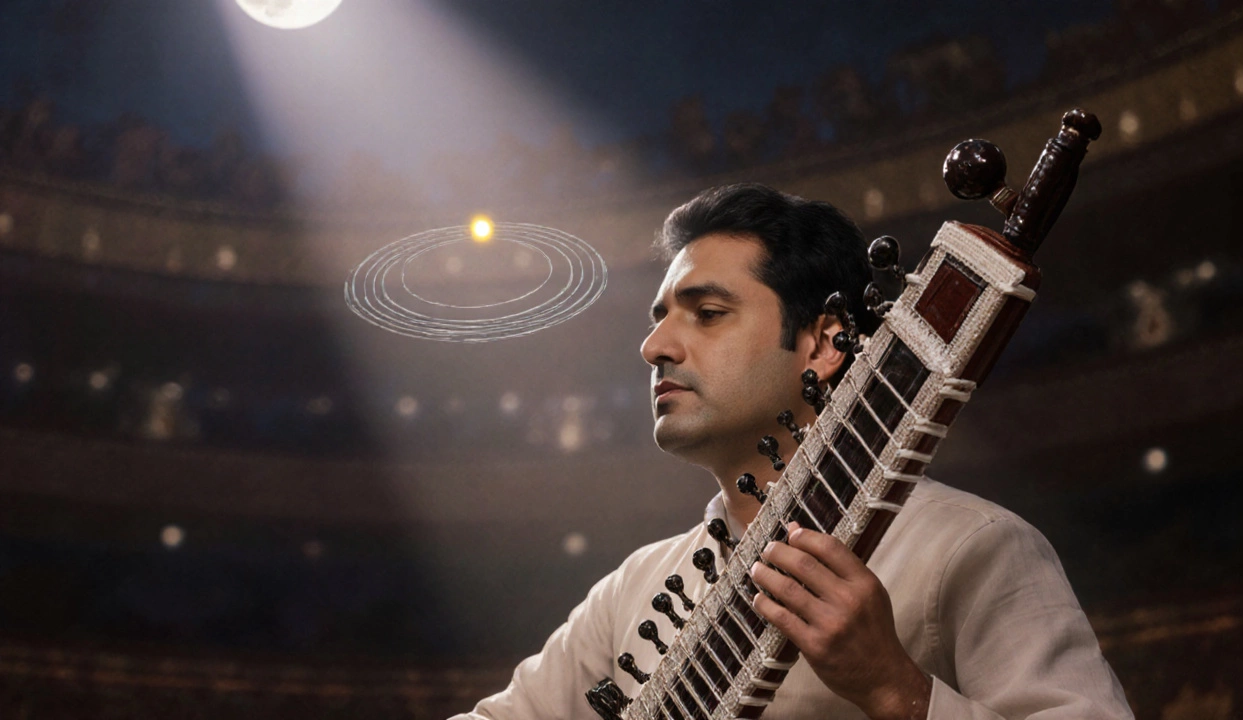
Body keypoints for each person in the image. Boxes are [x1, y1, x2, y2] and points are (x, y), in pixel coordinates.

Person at [452, 184, 1132, 720]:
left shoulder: (972, 547)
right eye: (659, 318)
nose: (654, 347)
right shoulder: (636, 588)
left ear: (825, 343)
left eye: (707, 313)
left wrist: (897, 690)